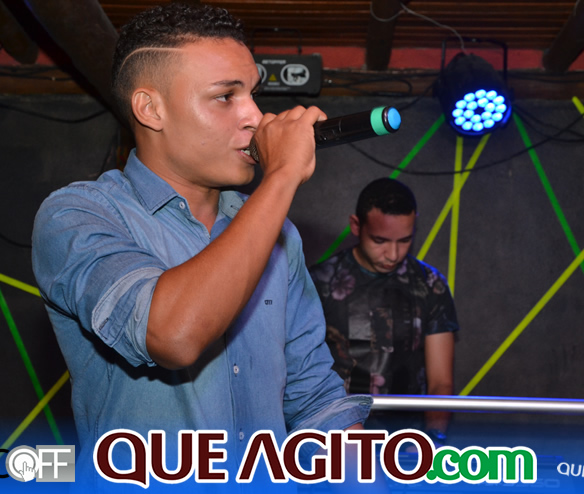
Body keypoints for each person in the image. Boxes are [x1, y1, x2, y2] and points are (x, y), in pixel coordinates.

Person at [31, 3, 370, 490]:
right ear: (151, 109)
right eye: (225, 97)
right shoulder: (78, 215)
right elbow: (172, 334)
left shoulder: (279, 235)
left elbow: (317, 401)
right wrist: (281, 176)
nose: (255, 117)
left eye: (252, 94)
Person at [309, 177, 459, 442]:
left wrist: (432, 440)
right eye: (380, 240)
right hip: (335, 441)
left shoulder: (430, 285)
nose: (393, 254)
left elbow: (440, 383)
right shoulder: (318, 283)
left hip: (408, 442)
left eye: (404, 240)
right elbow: (301, 377)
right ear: (356, 225)